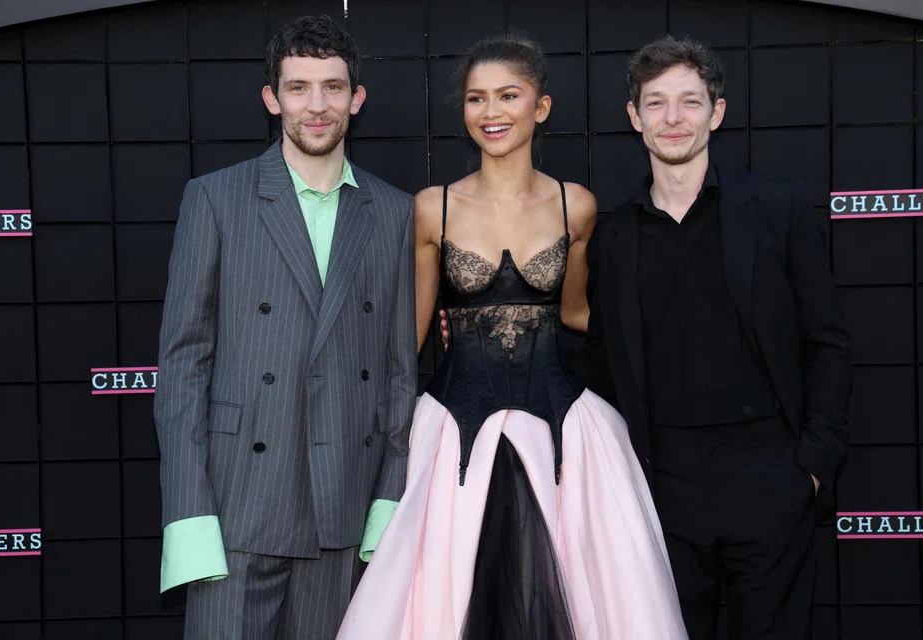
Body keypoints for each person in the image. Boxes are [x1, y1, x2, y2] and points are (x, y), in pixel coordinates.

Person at [337, 35, 687, 640]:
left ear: (540, 107)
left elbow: (577, 313)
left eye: (508, 96)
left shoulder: (576, 205)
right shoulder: (432, 208)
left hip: (564, 435)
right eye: (476, 99)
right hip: (454, 434)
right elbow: (409, 339)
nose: (491, 112)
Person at [579, 35, 852, 639]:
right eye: (656, 103)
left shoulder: (777, 208)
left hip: (770, 475)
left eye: (689, 102)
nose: (673, 119)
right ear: (634, 117)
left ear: (716, 113)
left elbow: (826, 341)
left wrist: (810, 464)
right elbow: (598, 355)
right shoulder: (614, 236)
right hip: (662, 485)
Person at [154, 15, 416, 638]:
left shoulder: (395, 213)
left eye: (332, 87)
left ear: (356, 99)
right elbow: (183, 366)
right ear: (272, 99)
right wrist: (190, 520)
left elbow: (401, 373)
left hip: (345, 511)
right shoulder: (215, 199)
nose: (316, 106)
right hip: (236, 509)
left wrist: (388, 507)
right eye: (299, 87)